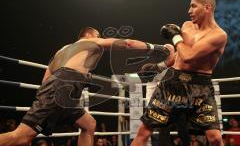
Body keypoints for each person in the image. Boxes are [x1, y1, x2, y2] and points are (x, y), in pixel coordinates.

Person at [0, 27, 170, 146]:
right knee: (21, 138)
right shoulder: (92, 41)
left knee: (89, 124)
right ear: (89, 35)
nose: (100, 37)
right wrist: (158, 47)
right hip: (63, 86)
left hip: (64, 89)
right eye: (98, 34)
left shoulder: (62, 50)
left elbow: (46, 79)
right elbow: (128, 44)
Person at [131, 0, 227, 146]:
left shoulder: (218, 35)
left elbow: (189, 55)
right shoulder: (187, 26)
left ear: (207, 7)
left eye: (193, 6)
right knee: (144, 131)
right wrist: (159, 66)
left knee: (215, 137)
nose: (189, 11)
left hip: (200, 87)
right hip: (172, 83)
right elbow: (180, 54)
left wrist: (175, 36)